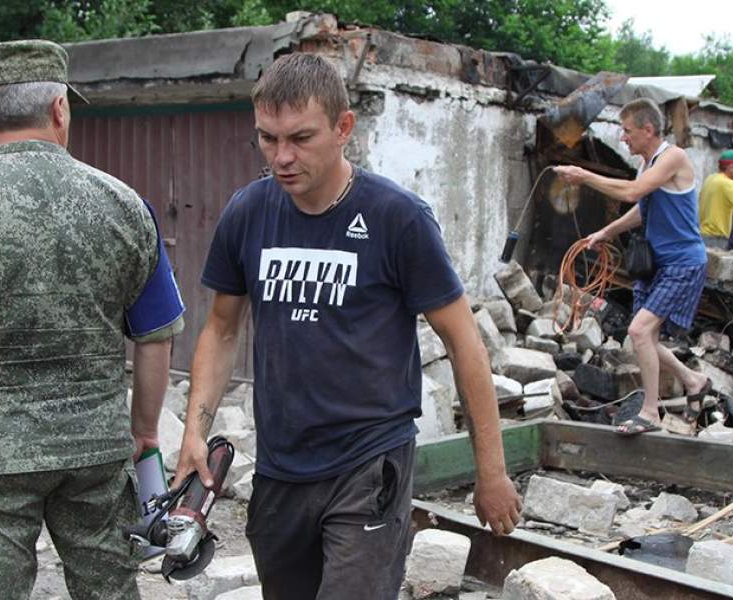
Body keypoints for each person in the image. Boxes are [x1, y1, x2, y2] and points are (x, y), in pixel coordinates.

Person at [172, 53, 521, 599]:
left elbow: (463, 340)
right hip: (282, 466)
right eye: (267, 139)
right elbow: (220, 330)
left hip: (369, 463)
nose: (282, 157)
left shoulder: (397, 218)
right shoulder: (248, 212)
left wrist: (491, 472)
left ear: (343, 128)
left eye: (300, 138)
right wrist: (194, 432)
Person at [0, 40, 185, 599]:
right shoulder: (125, 205)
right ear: (59, 108)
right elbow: (153, 339)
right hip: (95, 451)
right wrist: (144, 433)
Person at [554, 98, 712, 436]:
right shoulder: (647, 165)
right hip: (657, 264)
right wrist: (606, 233)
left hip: (683, 262)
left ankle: (650, 412)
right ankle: (693, 380)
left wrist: (584, 175)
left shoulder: (673, 157)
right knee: (644, 336)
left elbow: (632, 193)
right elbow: (642, 208)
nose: (623, 138)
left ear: (648, 129)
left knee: (640, 331)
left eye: (626, 131)